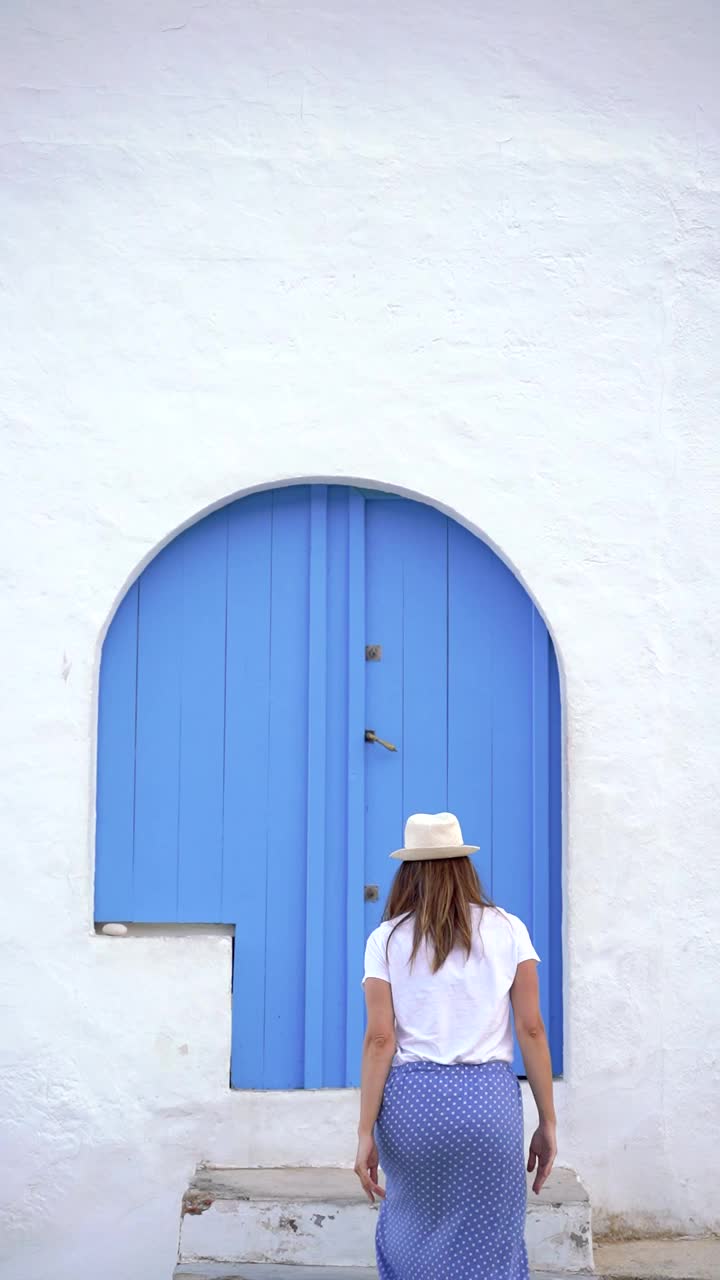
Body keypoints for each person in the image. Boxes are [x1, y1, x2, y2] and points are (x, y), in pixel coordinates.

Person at [354, 811, 557, 1280]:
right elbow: (532, 1030)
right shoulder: (508, 929)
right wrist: (547, 1121)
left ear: (408, 872)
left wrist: (365, 1131)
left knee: (413, 1240)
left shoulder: (385, 939)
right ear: (465, 866)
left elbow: (380, 1039)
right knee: (490, 1249)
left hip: (412, 1109)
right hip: (489, 1107)